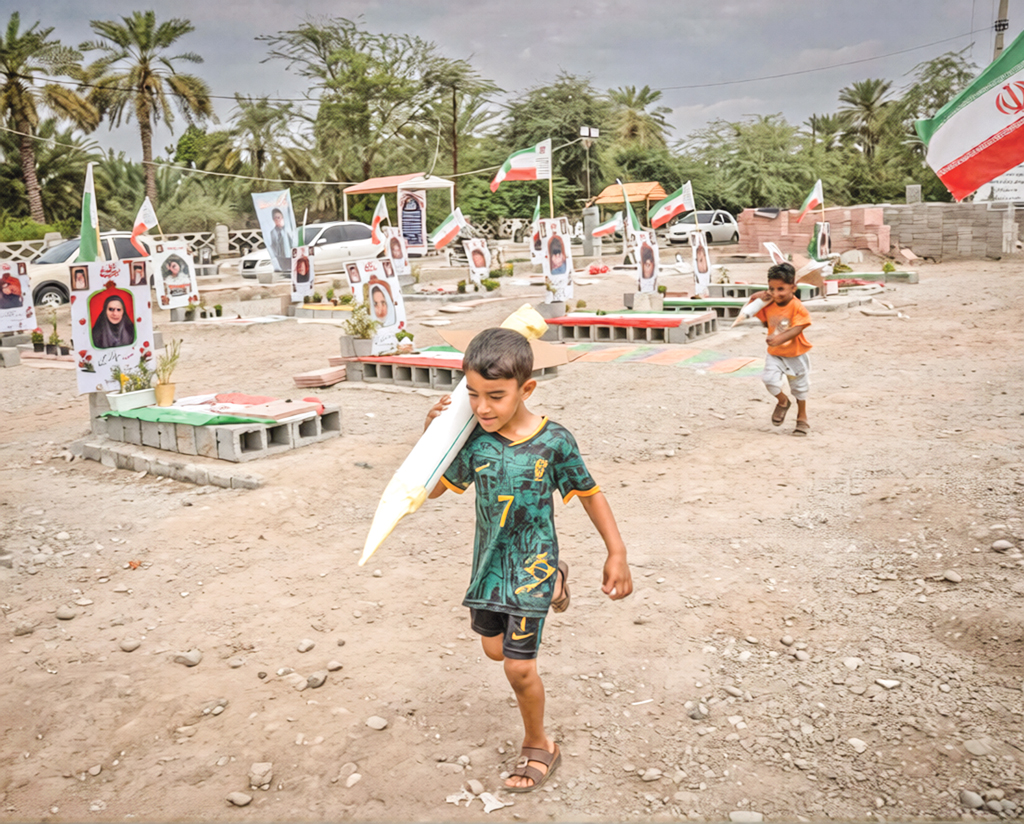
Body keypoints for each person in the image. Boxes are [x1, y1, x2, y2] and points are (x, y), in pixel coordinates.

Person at [424, 328, 632, 792]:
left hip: (531, 564)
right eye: (473, 395)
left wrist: (616, 551)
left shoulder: (553, 441)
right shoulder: (473, 439)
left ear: (526, 389)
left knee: (518, 667)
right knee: (493, 649)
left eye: (495, 396)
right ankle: (559, 580)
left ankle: (539, 745)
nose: (482, 408)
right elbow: (433, 488)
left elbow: (590, 494)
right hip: (489, 567)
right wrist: (433, 434)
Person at [745, 262, 812, 436]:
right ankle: (783, 401)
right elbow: (751, 307)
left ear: (793, 288)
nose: (776, 293)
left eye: (781, 289)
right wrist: (758, 296)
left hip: (795, 354)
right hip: (775, 354)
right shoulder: (770, 303)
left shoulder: (797, 307)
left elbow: (798, 328)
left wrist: (778, 338)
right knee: (769, 380)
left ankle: (802, 418)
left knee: (799, 387)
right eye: (771, 289)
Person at [268, 207, 293, 272]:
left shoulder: (288, 230)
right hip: (282, 258)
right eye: (275, 218)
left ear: (282, 218)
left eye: (278, 217)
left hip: (292, 256)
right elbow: (273, 245)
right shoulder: (273, 232)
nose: (277, 220)